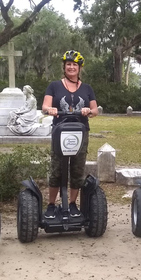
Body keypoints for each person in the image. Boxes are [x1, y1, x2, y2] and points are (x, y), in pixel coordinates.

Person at [41, 50, 98, 218]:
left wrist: (89, 110)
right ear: (64, 67)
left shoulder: (87, 88)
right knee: (57, 168)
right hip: (60, 131)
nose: (71, 67)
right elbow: (45, 106)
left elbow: (95, 110)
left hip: (81, 132)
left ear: (79, 68)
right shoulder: (54, 86)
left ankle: (72, 204)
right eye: (68, 64)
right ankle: (51, 204)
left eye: (75, 65)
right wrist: (49, 109)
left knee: (77, 168)